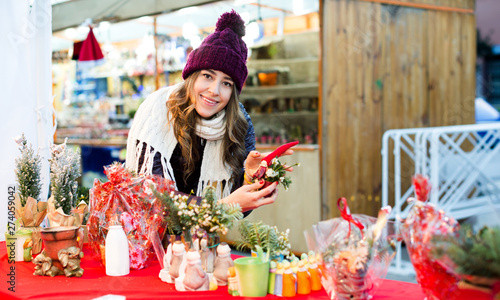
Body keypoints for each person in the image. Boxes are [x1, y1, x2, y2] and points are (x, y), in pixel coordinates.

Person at [125, 10, 294, 213]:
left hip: (203, 239)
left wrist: (251, 177)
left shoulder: (240, 125)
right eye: (207, 76)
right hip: (150, 237)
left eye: (226, 83)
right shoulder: (158, 110)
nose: (214, 90)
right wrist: (221, 206)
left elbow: (239, 207)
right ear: (192, 76)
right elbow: (152, 197)